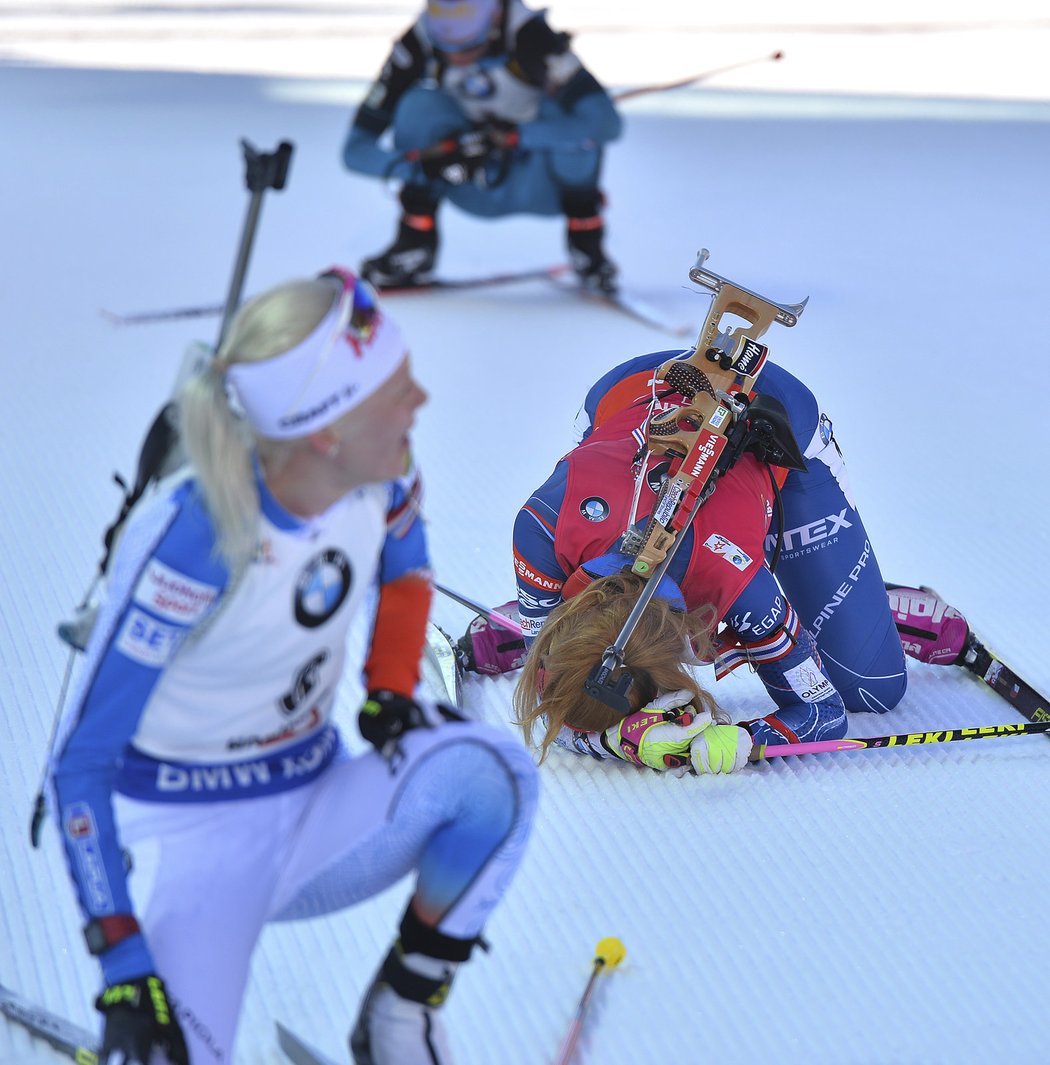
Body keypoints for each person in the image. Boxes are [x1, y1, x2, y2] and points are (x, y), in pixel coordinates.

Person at [48, 267, 539, 1065]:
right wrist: (121, 961)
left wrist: (388, 690)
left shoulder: (387, 474)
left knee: (495, 779)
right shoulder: (198, 536)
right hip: (196, 846)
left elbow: (406, 572)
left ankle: (398, 1020)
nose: (420, 403)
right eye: (395, 389)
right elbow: (80, 766)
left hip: (313, 798)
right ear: (325, 428)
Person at [483, 346, 971, 774]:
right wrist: (616, 740)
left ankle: (863, 609)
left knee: (869, 689)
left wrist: (747, 738)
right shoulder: (539, 530)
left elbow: (823, 711)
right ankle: (532, 616)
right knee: (551, 661)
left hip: (770, 412)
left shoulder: (735, 583)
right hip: (630, 395)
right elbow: (548, 706)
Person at [343, 0, 623, 293]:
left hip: (544, 183)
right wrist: (428, 163)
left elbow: (606, 125)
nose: (458, 58)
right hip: (473, 185)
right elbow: (355, 152)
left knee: (572, 123)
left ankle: (587, 245)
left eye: (468, 46)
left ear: (496, 17)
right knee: (418, 104)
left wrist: (517, 136)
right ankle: (415, 245)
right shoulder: (417, 42)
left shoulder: (530, 35)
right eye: (446, 49)